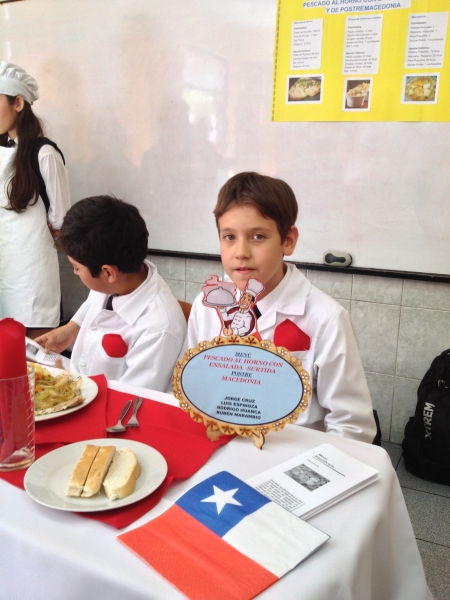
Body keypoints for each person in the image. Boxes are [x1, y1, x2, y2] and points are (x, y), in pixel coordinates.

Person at [185, 172, 377, 442]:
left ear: (288, 240)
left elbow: (352, 427)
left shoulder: (326, 319)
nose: (241, 252)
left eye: (258, 236)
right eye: (229, 237)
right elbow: (194, 383)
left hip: (294, 454)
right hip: (219, 445)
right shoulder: (207, 305)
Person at [36, 196, 187, 392]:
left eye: (76, 267)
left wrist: (66, 387)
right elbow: (93, 301)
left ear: (108, 272)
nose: (75, 272)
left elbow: (131, 401)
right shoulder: (121, 279)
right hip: (82, 382)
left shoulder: (158, 330)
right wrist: (73, 328)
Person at [0, 61, 71, 338]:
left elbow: (61, 221)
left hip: (31, 275)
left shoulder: (44, 154)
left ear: (18, 103)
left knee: (34, 353)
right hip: (4, 268)